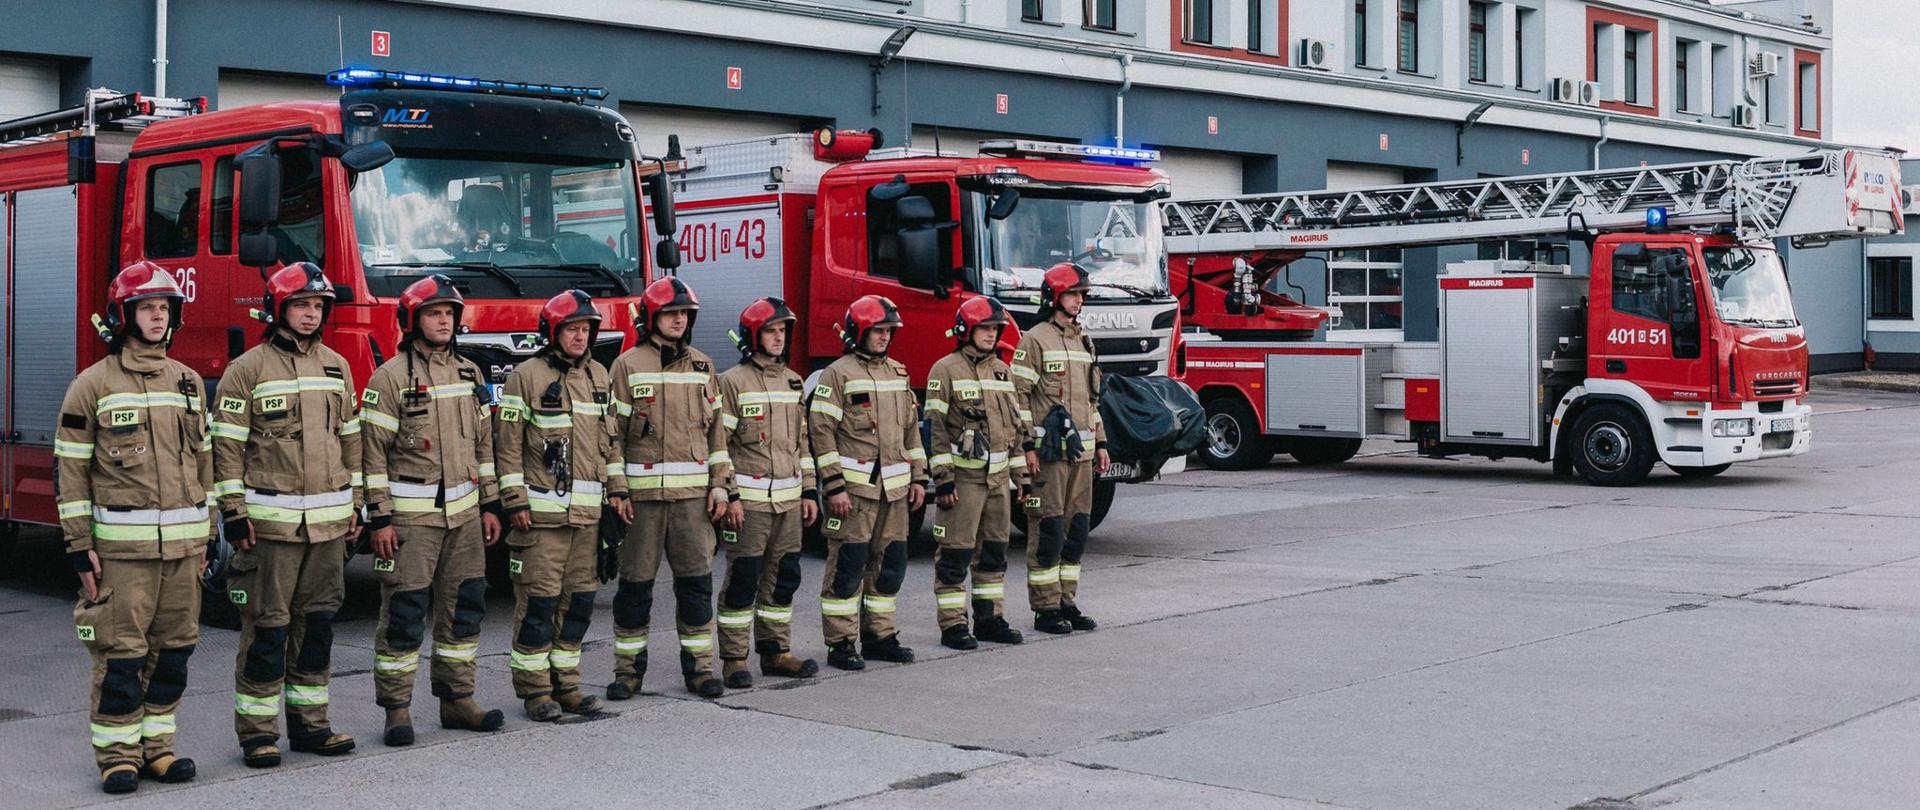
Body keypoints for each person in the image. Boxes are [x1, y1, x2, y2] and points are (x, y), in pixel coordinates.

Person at [56, 262, 213, 793]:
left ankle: (158, 750)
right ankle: (118, 757)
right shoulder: (92, 385)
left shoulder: (189, 382)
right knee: (122, 655)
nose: (157, 317)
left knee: (174, 652)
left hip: (184, 550)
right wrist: (79, 546)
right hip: (123, 555)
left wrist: (207, 533)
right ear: (124, 315)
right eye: (147, 308)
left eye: (164, 308)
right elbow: (71, 472)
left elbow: (205, 463)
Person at [213, 262, 363, 767]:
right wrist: (233, 512)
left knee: (316, 629)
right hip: (270, 530)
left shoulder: (337, 367)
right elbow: (226, 448)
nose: (311, 314)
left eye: (318, 306)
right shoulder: (247, 369)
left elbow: (351, 442)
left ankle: (311, 726)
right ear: (278, 308)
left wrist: (357, 503)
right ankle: (257, 734)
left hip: (327, 528)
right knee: (267, 630)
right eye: (301, 305)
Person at [358, 274, 506, 746]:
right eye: (433, 313)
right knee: (404, 615)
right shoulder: (389, 378)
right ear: (412, 320)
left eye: (449, 314)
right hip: (411, 524)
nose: (444, 321)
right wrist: (380, 518)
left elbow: (485, 447)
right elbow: (371, 454)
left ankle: (457, 700)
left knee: (464, 610)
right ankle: (397, 710)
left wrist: (490, 505)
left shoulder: (471, 374)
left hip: (465, 520)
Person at [495, 290, 622, 721]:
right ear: (553, 331)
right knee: (539, 605)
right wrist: (513, 500)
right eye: (572, 329)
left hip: (588, 520)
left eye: (586, 329)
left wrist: (618, 492)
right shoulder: (525, 376)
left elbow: (612, 444)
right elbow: (507, 446)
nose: (580, 336)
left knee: (578, 604)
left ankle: (567, 685)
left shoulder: (599, 376)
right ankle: (535, 691)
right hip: (541, 520)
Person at [604, 277, 732, 700]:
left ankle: (701, 670)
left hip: (693, 504)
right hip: (641, 504)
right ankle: (627, 673)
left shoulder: (703, 367)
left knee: (696, 587)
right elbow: (612, 436)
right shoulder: (627, 366)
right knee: (634, 590)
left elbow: (717, 436)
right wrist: (618, 489)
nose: (679, 320)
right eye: (671, 313)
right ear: (651, 317)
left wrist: (720, 486)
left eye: (685, 314)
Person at [808, 295, 928, 670]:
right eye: (877, 330)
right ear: (858, 332)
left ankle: (879, 637)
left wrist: (919, 478)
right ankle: (840, 643)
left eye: (888, 331)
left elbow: (911, 432)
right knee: (848, 568)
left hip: (895, 494)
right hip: (854, 495)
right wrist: (834, 486)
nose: (884, 337)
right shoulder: (837, 374)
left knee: (889, 568)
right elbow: (821, 432)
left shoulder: (898, 373)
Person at [712, 298, 820, 688]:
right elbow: (719, 445)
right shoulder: (732, 382)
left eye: (782, 331)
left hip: (789, 503)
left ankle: (776, 652)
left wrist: (809, 491)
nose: (778, 338)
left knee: (783, 578)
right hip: (750, 505)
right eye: (770, 331)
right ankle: (734, 659)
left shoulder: (793, 381)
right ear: (753, 336)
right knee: (743, 580)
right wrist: (731, 496)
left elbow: (802, 443)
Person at [923, 297, 1030, 650]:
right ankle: (953, 625)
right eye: (984, 328)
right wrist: (943, 479)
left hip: (998, 483)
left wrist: (1022, 478)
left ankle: (989, 620)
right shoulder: (945, 369)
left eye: (995, 329)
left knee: (994, 554)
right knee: (955, 555)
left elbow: (1014, 430)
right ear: (965, 330)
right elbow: (935, 428)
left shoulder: (1002, 370)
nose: (991, 334)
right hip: (963, 483)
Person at [1010, 263, 1109, 635]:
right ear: (1054, 296)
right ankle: (1046, 608)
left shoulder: (1084, 341)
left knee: (1076, 530)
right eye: (1072, 294)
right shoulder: (1034, 340)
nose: (1079, 300)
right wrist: (1026, 446)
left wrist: (1101, 442)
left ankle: (1068, 602)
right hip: (1048, 457)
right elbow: (1017, 397)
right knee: (1048, 530)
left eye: (1082, 294)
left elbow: (1092, 401)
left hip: (1081, 457)